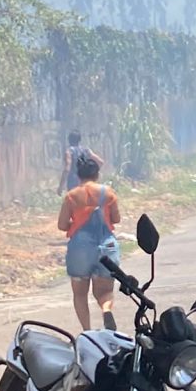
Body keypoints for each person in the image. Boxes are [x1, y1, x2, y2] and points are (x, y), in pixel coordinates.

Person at [57, 155, 121, 331]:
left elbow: (62, 225)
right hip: (106, 248)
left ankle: (87, 331)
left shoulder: (71, 196)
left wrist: (76, 224)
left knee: (79, 293)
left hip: (80, 250)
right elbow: (116, 218)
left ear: (79, 175)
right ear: (97, 174)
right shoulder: (108, 193)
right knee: (105, 291)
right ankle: (106, 310)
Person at [58, 130, 105, 195]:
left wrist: (61, 187)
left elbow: (67, 169)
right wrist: (93, 174)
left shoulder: (69, 152)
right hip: (86, 181)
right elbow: (100, 162)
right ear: (79, 140)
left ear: (69, 140)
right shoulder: (86, 150)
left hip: (73, 183)